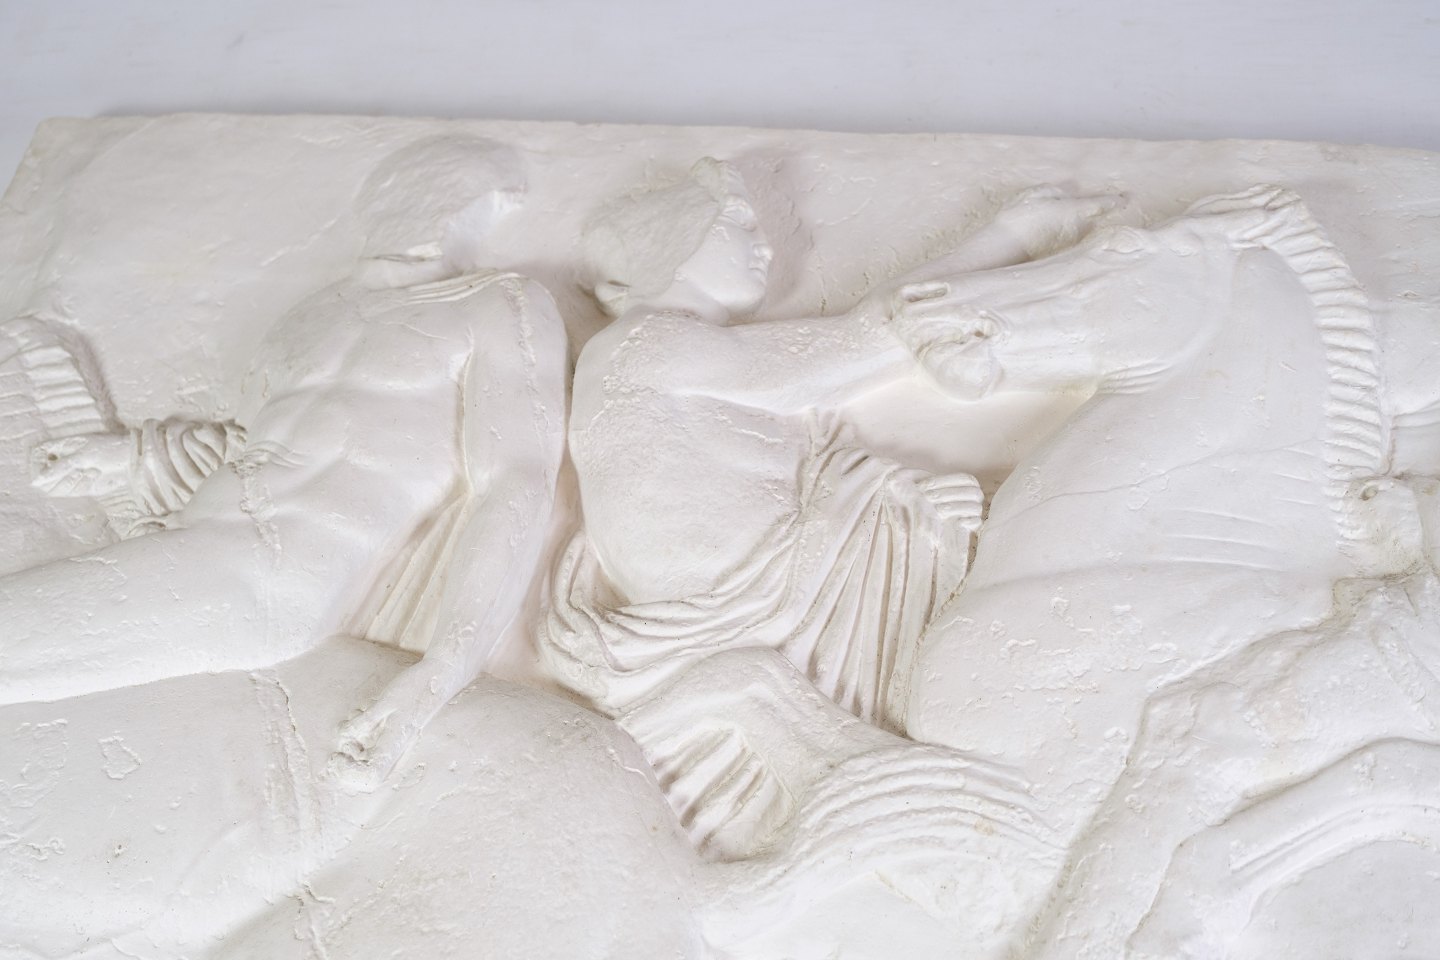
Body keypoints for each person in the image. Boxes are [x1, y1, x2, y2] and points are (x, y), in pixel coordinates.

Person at [0, 135, 568, 786]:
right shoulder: (312, 316)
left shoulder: (495, 304)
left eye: (464, 196)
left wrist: (439, 673)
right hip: (201, 544)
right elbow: (253, 445)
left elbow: (515, 482)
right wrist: (133, 457)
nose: (437, 211)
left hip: (272, 573)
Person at [542, 158, 1115, 732]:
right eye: (738, 225)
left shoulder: (648, 350)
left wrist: (897, 494)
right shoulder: (650, 344)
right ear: (674, 243)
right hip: (762, 603)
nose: (763, 247)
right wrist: (1013, 235)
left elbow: (846, 371)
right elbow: (868, 339)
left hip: (780, 586)